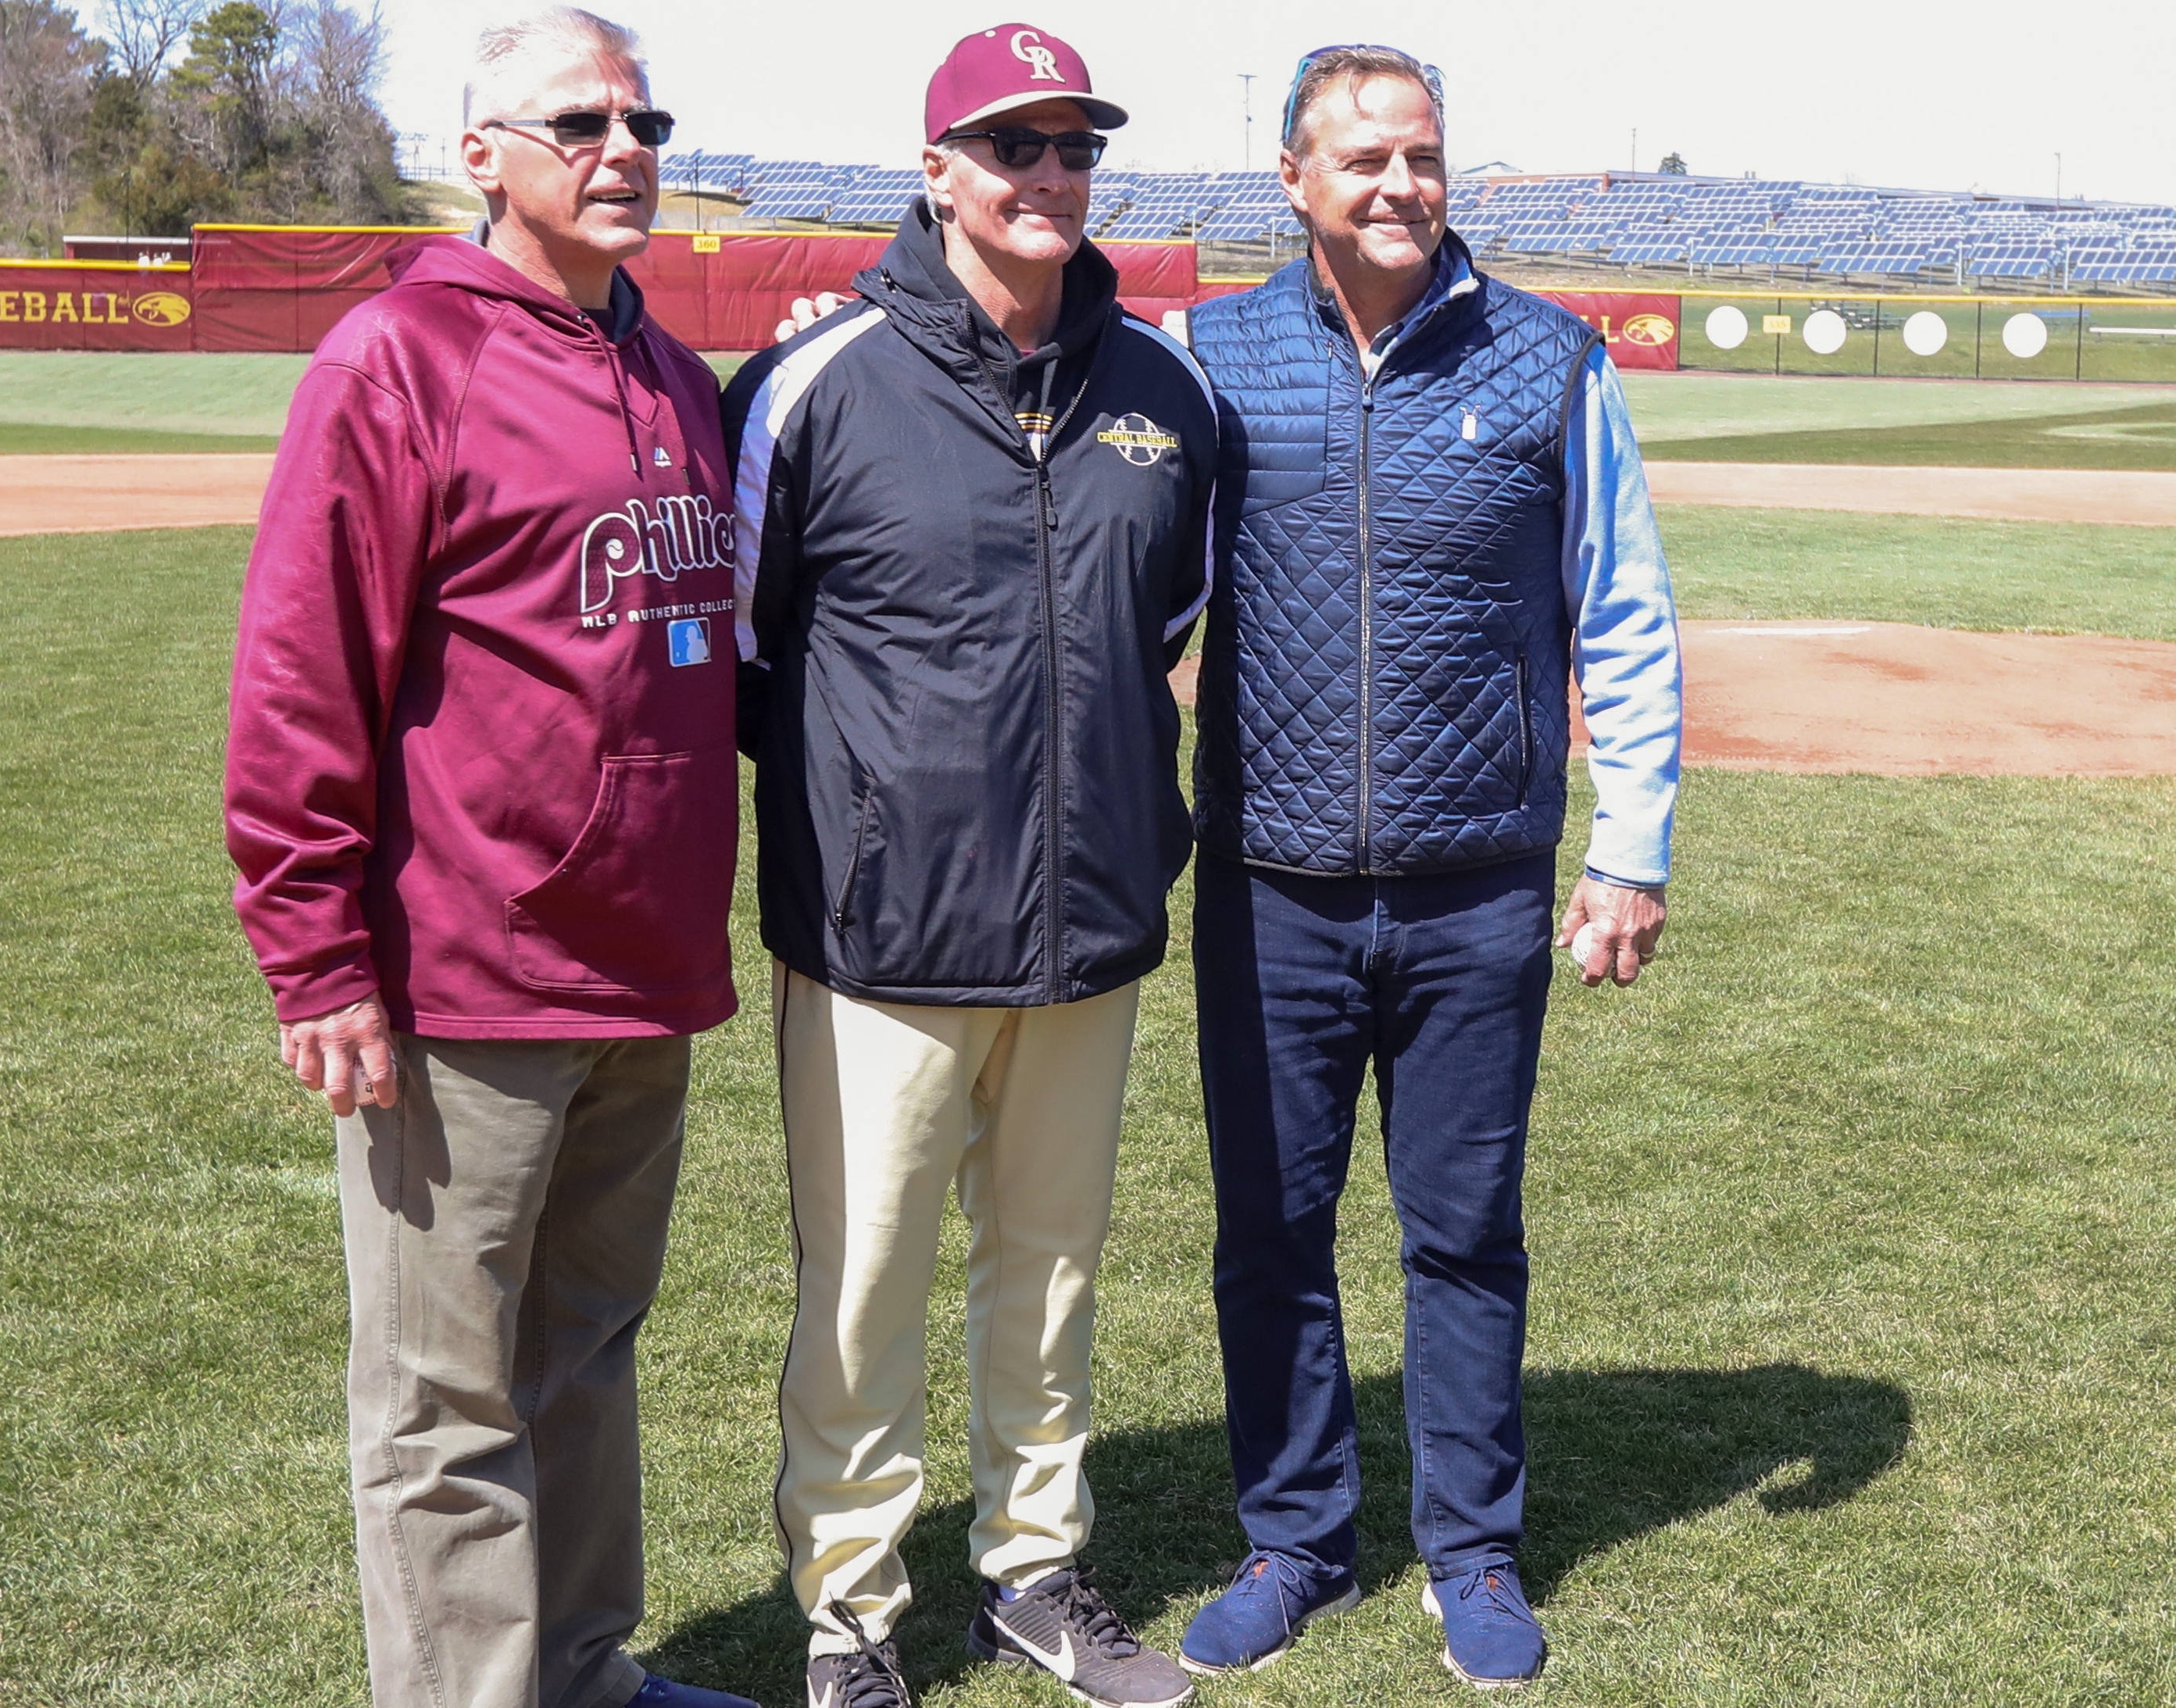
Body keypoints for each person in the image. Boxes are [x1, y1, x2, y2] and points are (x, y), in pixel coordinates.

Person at [220, 11, 757, 1707]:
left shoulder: (673, 373)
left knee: (585, 1357)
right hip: (465, 974)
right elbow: (305, 669)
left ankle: (587, 1672)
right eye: (577, 122)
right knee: (446, 1406)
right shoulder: (396, 361)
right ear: (482, 156)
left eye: (642, 119)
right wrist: (318, 956)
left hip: (643, 964)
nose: (623, 150)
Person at [1170, 45, 1682, 1692]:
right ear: (1295, 182)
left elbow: (1624, 611)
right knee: (1272, 1230)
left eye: (1424, 157)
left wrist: (1631, 847)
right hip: (1268, 889)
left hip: (1478, 893)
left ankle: (1472, 1548)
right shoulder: (1214, 354)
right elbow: (1136, 602)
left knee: (1464, 1232)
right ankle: (1297, 1535)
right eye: (1365, 159)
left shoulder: (1547, 360)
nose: (1399, 186)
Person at [723, 24, 1216, 1708]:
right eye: (1014, 146)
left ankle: (1033, 1570)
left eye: (1076, 146)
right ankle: (851, 1610)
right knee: (861, 1286)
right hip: (882, 930)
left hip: (1090, 921)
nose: (1052, 176)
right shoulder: (817, 379)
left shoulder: (1166, 391)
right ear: (936, 171)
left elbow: (1165, 626)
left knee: (1053, 1268)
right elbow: (740, 650)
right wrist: (864, 815)